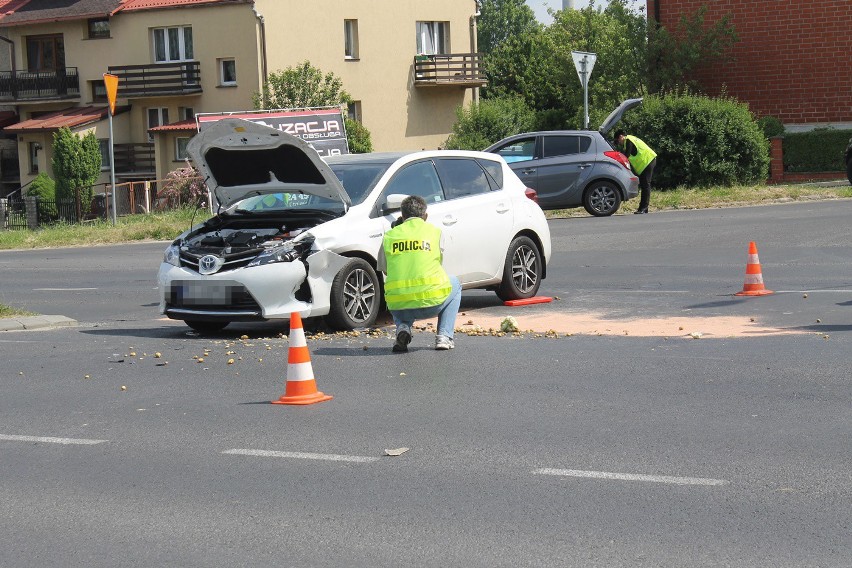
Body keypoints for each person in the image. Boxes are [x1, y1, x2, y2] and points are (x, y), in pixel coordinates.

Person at [378, 195, 461, 352]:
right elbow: (436, 263)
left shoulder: (389, 236)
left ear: (402, 216)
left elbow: (385, 269)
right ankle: (444, 336)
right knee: (455, 283)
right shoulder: (435, 232)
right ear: (425, 216)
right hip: (431, 303)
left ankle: (403, 326)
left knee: (398, 289)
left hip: (398, 307)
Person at [615, 130, 657, 214]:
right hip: (646, 162)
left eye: (617, 140)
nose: (618, 143)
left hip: (647, 161)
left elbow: (626, 156)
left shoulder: (628, 141)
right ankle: (643, 208)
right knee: (644, 185)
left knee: (646, 185)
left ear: (621, 136)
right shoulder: (630, 139)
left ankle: (644, 208)